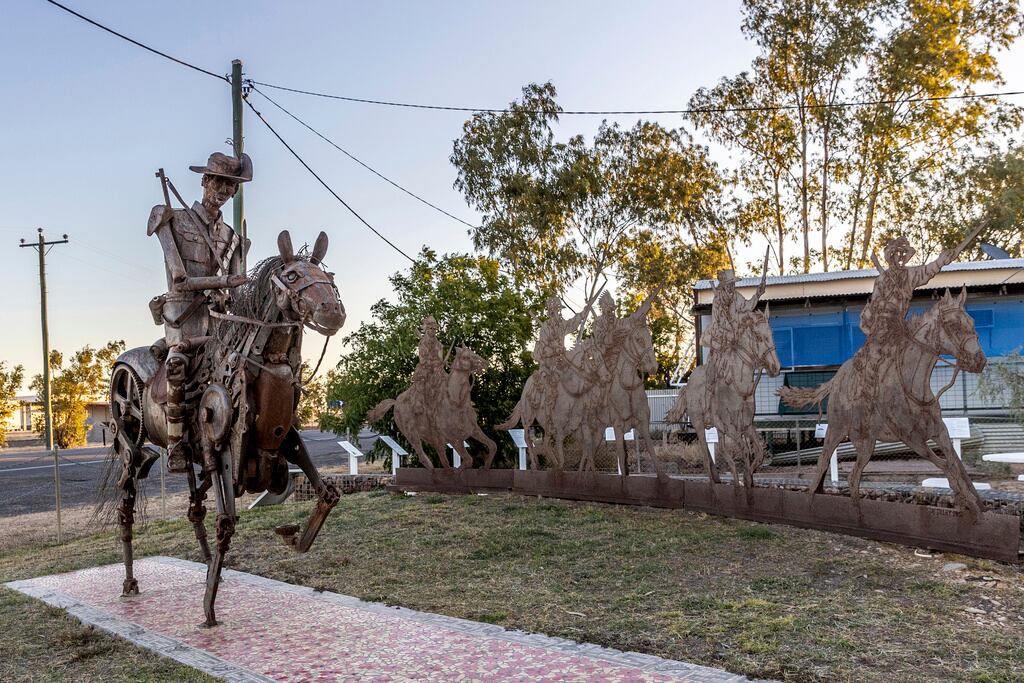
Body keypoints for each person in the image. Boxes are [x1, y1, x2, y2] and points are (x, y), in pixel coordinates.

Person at [147, 152, 252, 470]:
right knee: (178, 364)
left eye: (229, 186)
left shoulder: (233, 238)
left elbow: (236, 292)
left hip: (220, 325)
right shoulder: (171, 218)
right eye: (217, 181)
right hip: (185, 321)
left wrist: (236, 290)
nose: (221, 191)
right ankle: (176, 444)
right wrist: (225, 280)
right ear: (205, 181)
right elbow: (179, 277)